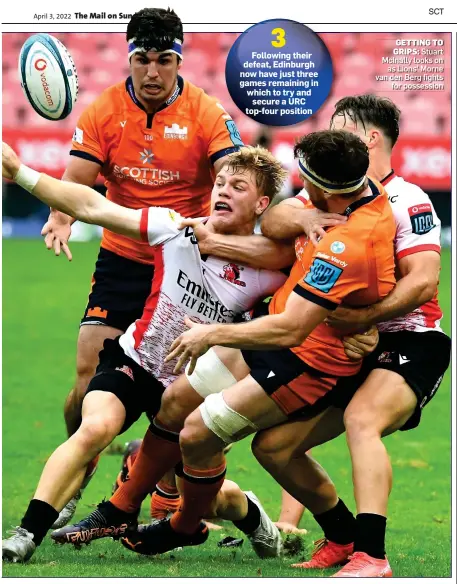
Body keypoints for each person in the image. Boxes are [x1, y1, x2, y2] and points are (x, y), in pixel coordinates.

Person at [109, 129, 397, 557]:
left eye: (306, 183)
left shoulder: (347, 243)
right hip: (273, 333)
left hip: (304, 358)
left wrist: (211, 333)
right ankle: (127, 503)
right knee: (178, 401)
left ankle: (185, 524)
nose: (301, 191)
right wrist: (300, 216)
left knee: (197, 435)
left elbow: (292, 329)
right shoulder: (357, 191)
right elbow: (279, 218)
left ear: (322, 187)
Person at [1, 143, 295, 563]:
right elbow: (91, 205)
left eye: (239, 186)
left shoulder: (272, 270)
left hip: (191, 391)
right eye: (221, 183)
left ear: (262, 203)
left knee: (211, 501)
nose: (224, 191)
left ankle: (251, 516)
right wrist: (21, 172)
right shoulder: (174, 226)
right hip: (135, 362)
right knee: (96, 427)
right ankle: (25, 534)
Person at [40, 7, 246, 527]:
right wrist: (60, 217)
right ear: (129, 58)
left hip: (186, 266)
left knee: (171, 392)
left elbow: (233, 176)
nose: (152, 71)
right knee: (88, 378)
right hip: (124, 259)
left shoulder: (206, 112)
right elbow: (78, 179)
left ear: (179, 60)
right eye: (141, 59)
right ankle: (74, 478)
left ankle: (162, 496)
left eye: (164, 59)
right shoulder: (104, 110)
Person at [251, 94, 450, 577]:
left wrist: (366, 320)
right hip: (346, 347)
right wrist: (303, 216)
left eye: (340, 130)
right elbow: (271, 222)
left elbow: (423, 280)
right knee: (272, 447)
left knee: (362, 420)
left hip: (408, 341)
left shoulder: (408, 199)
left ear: (371, 138)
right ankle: (340, 535)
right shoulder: (329, 189)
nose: (329, 140)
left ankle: (372, 555)